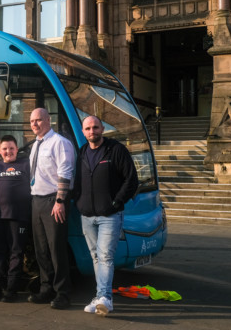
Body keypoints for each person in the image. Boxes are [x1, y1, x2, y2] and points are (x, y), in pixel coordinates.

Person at [73, 116, 138, 317]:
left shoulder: (116, 150)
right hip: (87, 215)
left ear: (102, 128)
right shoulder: (82, 152)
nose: (92, 131)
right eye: (88, 129)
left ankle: (105, 298)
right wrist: (79, 202)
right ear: (83, 132)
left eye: (95, 127)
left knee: (105, 256)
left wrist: (116, 202)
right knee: (95, 256)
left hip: (109, 215)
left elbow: (131, 179)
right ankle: (100, 296)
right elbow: (77, 180)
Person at [27, 107, 76, 309]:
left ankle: (62, 293)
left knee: (56, 249)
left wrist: (60, 201)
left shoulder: (60, 143)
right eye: (32, 121)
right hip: (36, 201)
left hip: (53, 201)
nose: (35, 124)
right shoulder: (36, 144)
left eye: (38, 120)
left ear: (49, 120)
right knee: (41, 249)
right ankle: (46, 289)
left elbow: (66, 172)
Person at [0, 135, 31, 302]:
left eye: (11, 148)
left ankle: (11, 289)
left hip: (19, 218)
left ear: (16, 149)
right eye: (4, 148)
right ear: (0, 151)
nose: (8, 151)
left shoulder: (26, 165)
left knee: (16, 253)